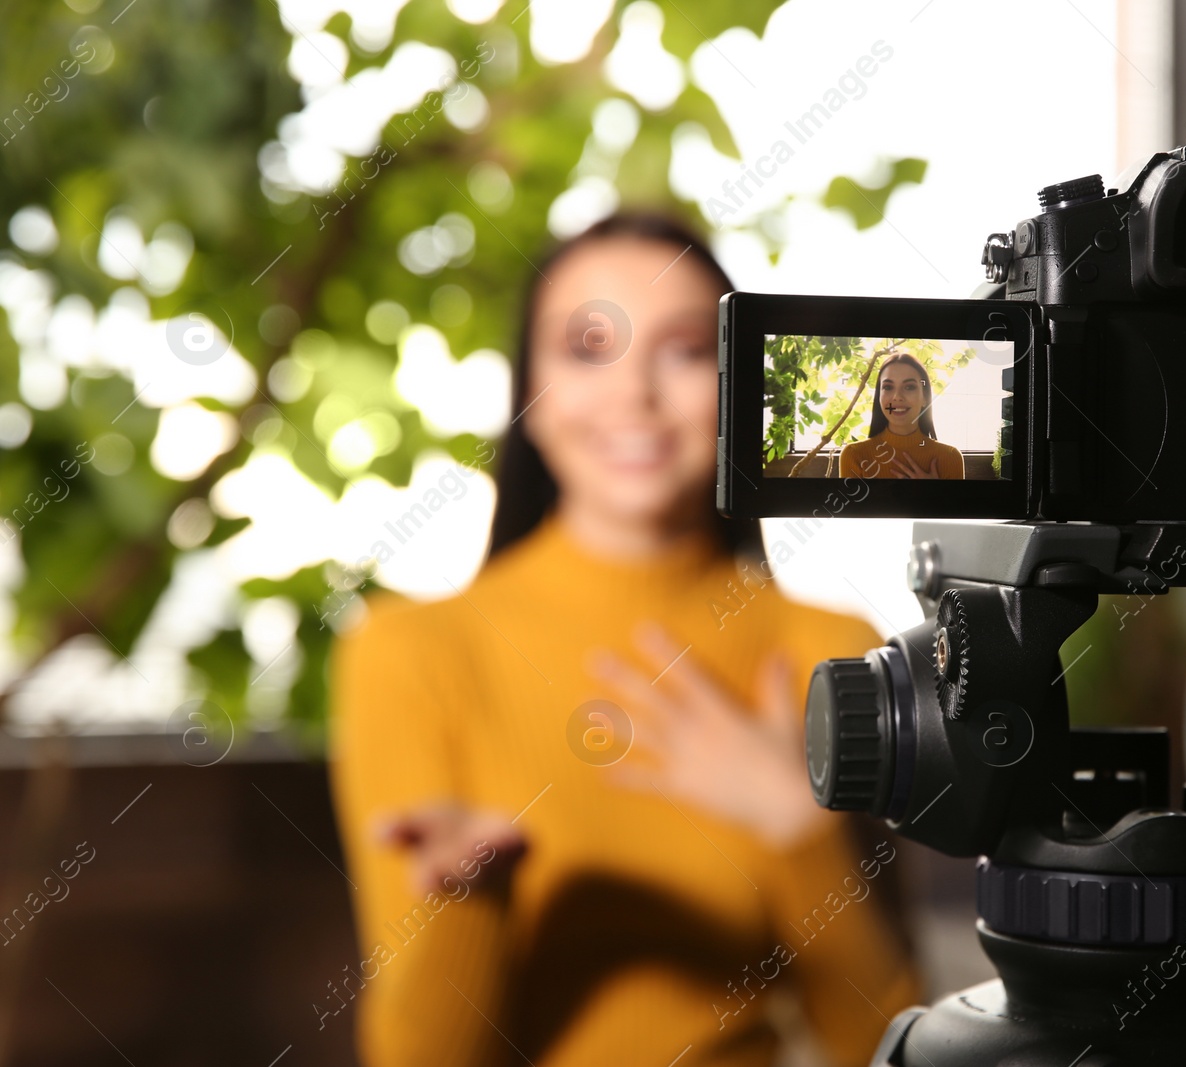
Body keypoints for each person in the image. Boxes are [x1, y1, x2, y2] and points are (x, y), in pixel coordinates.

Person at [328, 212, 920, 1067]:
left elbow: (885, 1045)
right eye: (587, 346)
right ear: (529, 393)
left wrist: (799, 831)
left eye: (682, 351)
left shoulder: (836, 650)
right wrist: (472, 899)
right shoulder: (408, 650)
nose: (634, 393)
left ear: (739, 390)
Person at [837, 351, 965, 479]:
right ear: (878, 396)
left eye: (909, 387)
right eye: (888, 387)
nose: (897, 397)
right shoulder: (854, 455)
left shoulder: (950, 457)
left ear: (925, 398)